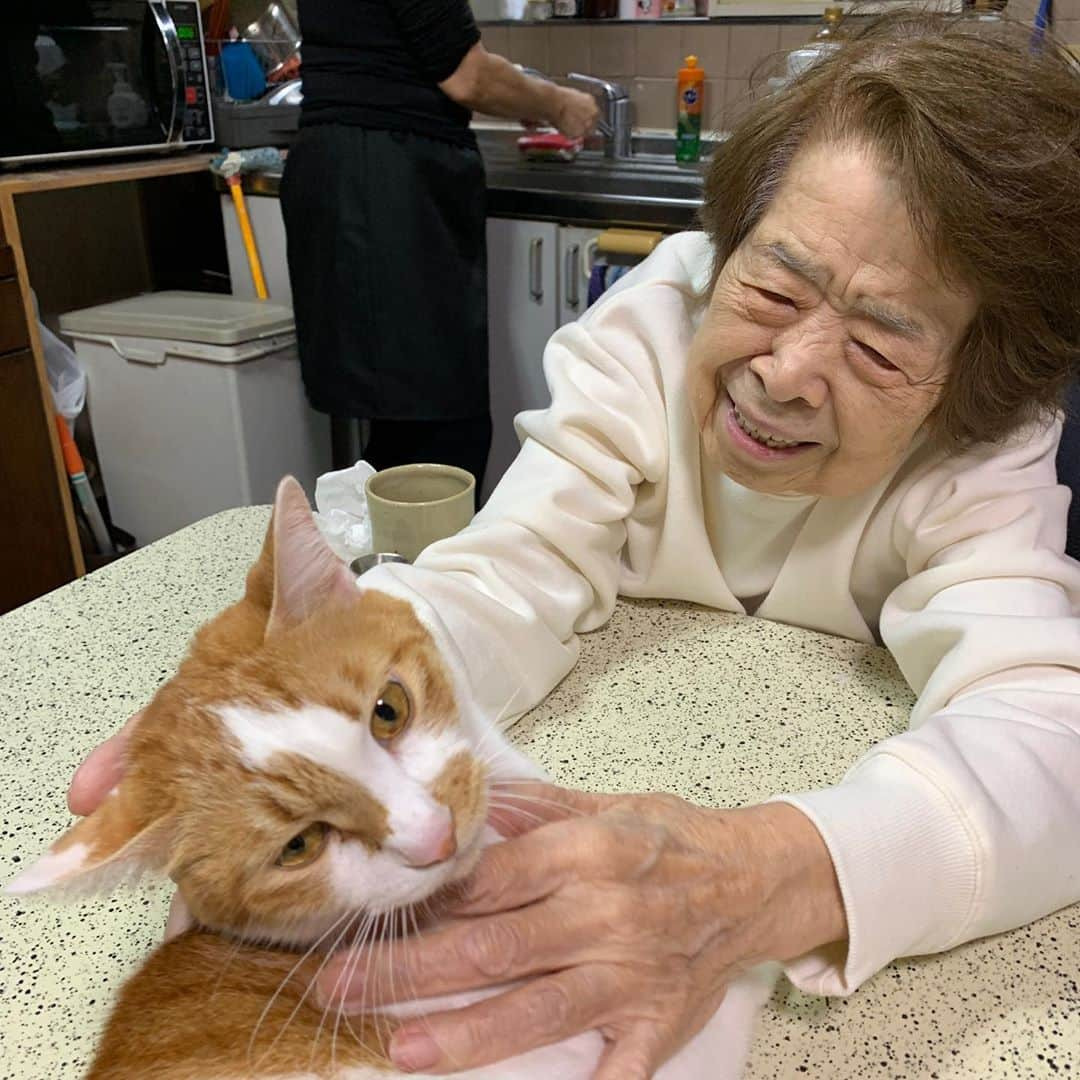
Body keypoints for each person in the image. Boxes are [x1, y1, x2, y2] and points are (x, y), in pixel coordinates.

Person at [70, 11, 1080, 1079]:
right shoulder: (656, 325)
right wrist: (319, 709)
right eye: (772, 289)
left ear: (971, 377)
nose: (785, 372)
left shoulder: (985, 434)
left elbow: (1052, 729)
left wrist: (773, 870)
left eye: (879, 348)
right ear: (724, 249)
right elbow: (520, 564)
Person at [280, 0, 599, 487]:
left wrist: (518, 94)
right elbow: (467, 77)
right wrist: (558, 103)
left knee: (402, 427)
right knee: (442, 436)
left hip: (351, 175)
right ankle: (418, 562)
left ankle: (384, 559)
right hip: (385, 183)